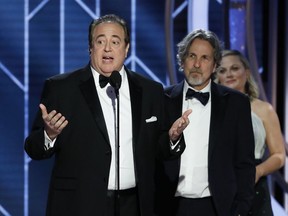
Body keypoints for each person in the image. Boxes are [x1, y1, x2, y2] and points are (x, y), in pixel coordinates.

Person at [24, 14, 191, 216]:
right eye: (100, 41)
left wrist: (172, 138)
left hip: (135, 205)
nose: (108, 48)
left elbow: (160, 151)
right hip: (79, 204)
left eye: (115, 41)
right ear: (90, 47)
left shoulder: (151, 91)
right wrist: (48, 135)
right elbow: (33, 149)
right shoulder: (61, 88)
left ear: (126, 48)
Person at [156, 29, 255, 216]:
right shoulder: (160, 99)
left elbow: (244, 164)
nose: (197, 64)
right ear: (182, 60)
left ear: (215, 64)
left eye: (205, 58)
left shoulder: (236, 103)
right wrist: (172, 139)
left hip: (218, 207)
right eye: (192, 56)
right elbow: (150, 155)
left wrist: (240, 209)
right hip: (168, 206)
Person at [216, 49, 286, 216]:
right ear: (216, 76)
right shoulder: (210, 110)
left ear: (246, 72)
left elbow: (279, 155)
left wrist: (257, 171)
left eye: (234, 68)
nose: (229, 74)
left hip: (254, 184)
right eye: (222, 70)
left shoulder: (264, 109)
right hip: (218, 183)